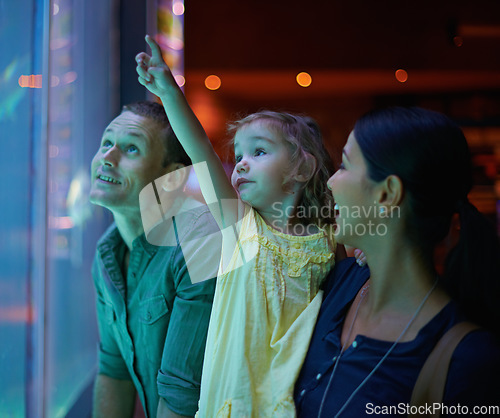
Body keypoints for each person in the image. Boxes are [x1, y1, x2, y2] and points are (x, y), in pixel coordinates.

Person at [135, 35, 349, 416]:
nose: (242, 163)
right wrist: (169, 93)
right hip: (229, 405)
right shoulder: (242, 226)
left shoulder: (329, 241)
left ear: (302, 168)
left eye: (259, 151)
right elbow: (200, 147)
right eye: (239, 156)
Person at [294, 106, 500, 417]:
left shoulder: (468, 359)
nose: (331, 182)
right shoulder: (338, 283)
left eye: (345, 166)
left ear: (388, 193)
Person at [89, 101, 219, 418]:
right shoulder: (108, 253)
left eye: (131, 149)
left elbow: (181, 399)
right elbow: (114, 370)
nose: (107, 158)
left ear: (171, 178)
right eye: (107, 143)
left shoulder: (198, 241)